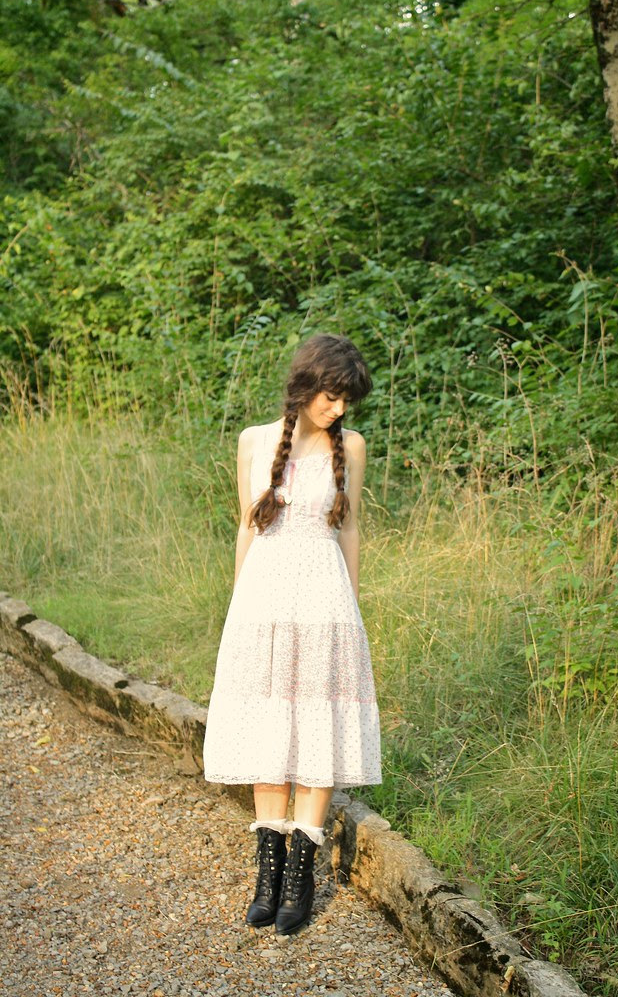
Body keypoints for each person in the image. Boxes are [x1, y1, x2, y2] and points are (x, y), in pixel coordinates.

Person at [203, 333, 382, 936]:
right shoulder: (254, 441)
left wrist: (351, 609)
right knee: (269, 722)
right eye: (332, 396)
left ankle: (300, 876)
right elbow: (245, 527)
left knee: (319, 721)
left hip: (325, 599)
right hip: (265, 599)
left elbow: (350, 530)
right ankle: (268, 872)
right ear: (306, 385)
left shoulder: (350, 446)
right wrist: (237, 605)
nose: (339, 410)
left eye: (347, 401)